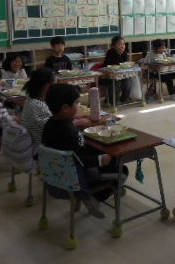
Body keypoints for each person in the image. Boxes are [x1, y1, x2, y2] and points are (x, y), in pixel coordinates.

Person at [42, 83, 122, 218]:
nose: (78, 106)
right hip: (77, 179)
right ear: (65, 108)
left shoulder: (49, 125)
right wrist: (99, 160)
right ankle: (91, 197)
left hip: (54, 178)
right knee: (121, 169)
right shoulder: (70, 132)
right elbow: (77, 159)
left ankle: (87, 195)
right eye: (77, 103)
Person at [21, 67, 55, 154]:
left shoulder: (31, 99)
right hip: (42, 150)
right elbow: (55, 128)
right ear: (47, 85)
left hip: (34, 145)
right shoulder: (38, 106)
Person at [102, 36, 132, 105]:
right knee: (117, 82)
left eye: (123, 44)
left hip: (120, 75)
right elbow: (117, 64)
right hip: (108, 76)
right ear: (113, 46)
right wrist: (119, 54)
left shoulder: (124, 54)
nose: (122, 46)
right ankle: (112, 100)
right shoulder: (110, 53)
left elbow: (124, 65)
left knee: (128, 80)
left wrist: (121, 53)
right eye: (119, 44)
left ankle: (124, 99)